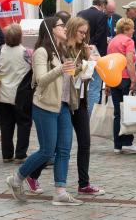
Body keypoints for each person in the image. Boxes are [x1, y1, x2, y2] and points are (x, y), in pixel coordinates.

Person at [6, 16, 84, 206]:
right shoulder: (41, 52)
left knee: (64, 150)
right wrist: (60, 70)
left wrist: (80, 68)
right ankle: (17, 178)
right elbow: (41, 79)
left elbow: (66, 78)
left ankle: (60, 191)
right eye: (61, 25)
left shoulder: (62, 50)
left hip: (63, 105)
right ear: (51, 28)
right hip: (45, 106)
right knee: (47, 151)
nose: (65, 28)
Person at [26, 17, 105, 196]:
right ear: (71, 30)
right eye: (81, 32)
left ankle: (83, 184)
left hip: (79, 100)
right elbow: (56, 75)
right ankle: (31, 174)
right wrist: (76, 67)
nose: (84, 36)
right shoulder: (60, 48)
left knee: (84, 142)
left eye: (86, 33)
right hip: (65, 101)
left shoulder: (84, 48)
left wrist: (89, 60)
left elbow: (90, 68)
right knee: (54, 147)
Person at [0, 24, 32, 163]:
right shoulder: (26, 52)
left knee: (6, 125)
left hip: (3, 93)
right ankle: (20, 154)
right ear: (20, 37)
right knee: (24, 123)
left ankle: (7, 154)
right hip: (20, 95)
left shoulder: (1, 50)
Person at [107, 18, 136, 154]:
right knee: (129, 111)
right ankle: (128, 141)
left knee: (117, 113)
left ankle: (117, 144)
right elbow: (129, 62)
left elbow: (108, 62)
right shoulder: (128, 41)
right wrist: (133, 79)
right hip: (126, 78)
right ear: (126, 29)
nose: (133, 30)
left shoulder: (112, 41)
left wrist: (108, 83)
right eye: (132, 28)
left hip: (114, 78)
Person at [77, 0, 108, 110]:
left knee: (80, 85)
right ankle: (91, 118)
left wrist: (83, 45)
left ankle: (80, 112)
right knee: (95, 87)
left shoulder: (80, 13)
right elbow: (100, 36)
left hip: (79, 53)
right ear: (102, 5)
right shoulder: (102, 16)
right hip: (96, 55)